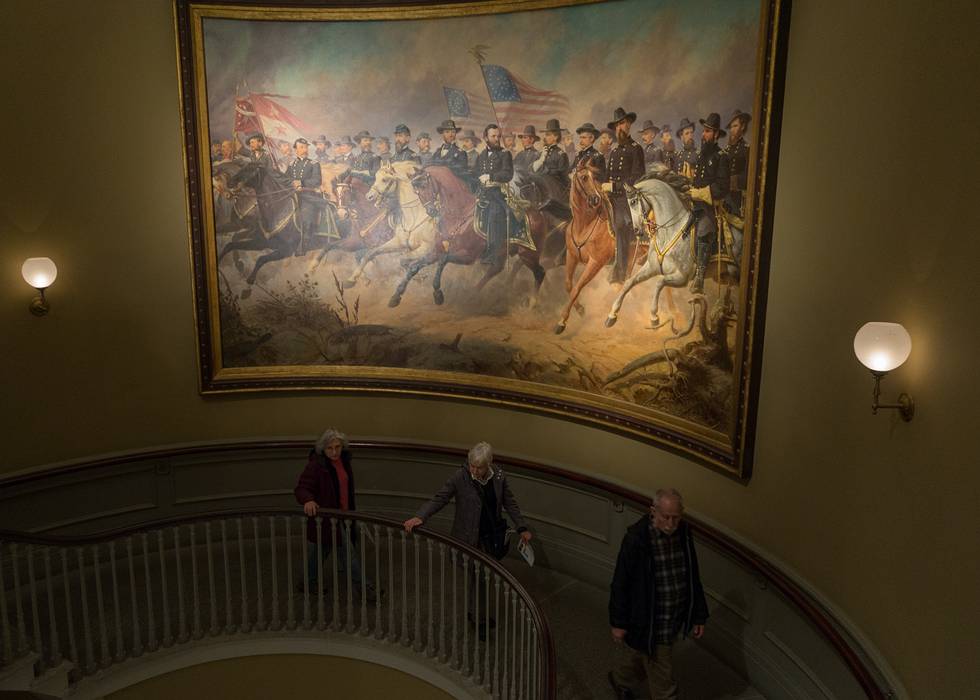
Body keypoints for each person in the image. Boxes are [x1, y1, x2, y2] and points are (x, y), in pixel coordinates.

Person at [608, 489, 708, 700]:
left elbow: (692, 576)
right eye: (666, 517)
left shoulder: (684, 532)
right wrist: (618, 622)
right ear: (653, 511)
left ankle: (620, 679)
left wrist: (698, 614)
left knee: (640, 654)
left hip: (674, 616)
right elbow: (620, 582)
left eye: (676, 518)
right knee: (664, 679)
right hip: (651, 620)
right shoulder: (637, 539)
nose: (671, 523)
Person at [403, 440, 531, 561]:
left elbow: (509, 502)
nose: (474, 471)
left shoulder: (498, 476)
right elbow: (440, 498)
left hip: (491, 535)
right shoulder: (461, 477)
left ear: (488, 464)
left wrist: (521, 527)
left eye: (479, 467)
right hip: (469, 536)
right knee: (473, 571)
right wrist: (421, 516)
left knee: (488, 569)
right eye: (472, 466)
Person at [294, 428, 379, 602]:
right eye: (330, 448)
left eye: (337, 447)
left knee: (320, 552)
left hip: (343, 516)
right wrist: (308, 500)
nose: (334, 452)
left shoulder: (344, 461)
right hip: (327, 519)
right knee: (348, 553)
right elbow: (301, 488)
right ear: (322, 450)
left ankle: (307, 582)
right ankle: (365, 589)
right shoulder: (316, 465)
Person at [601, 107, 645, 284]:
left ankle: (619, 273)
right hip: (611, 197)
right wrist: (602, 190)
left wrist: (614, 186)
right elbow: (606, 177)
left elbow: (636, 179)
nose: (620, 128)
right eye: (617, 125)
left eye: (622, 123)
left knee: (620, 224)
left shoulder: (636, 149)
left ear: (629, 125)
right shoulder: (614, 152)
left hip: (627, 199)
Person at [688, 113, 730, 293]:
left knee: (704, 230)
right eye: (703, 131)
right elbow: (696, 179)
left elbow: (722, 187)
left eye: (707, 132)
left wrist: (701, 193)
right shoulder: (701, 155)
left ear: (716, 135)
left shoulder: (721, 157)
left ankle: (699, 277)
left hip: (710, 207)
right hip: (694, 204)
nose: (703, 135)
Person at [472, 124, 514, 265]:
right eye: (493, 136)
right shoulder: (481, 155)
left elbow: (508, 174)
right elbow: (476, 173)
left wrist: (490, 176)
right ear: (485, 138)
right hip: (482, 194)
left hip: (498, 194)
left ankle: (493, 253)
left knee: (494, 213)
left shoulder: (505, 154)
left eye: (498, 136)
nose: (496, 139)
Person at [284, 137, 325, 255]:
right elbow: (286, 178)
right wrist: (291, 182)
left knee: (306, 216)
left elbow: (317, 180)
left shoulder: (314, 163)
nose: (305, 149)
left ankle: (305, 243)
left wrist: (302, 183)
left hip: (308, 195)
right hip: (293, 194)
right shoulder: (292, 164)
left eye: (306, 147)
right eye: (301, 147)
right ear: (296, 149)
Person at [531, 118, 571, 217]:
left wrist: (546, 171)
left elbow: (563, 175)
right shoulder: (542, 152)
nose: (545, 137)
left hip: (556, 190)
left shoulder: (561, 154)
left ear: (556, 136)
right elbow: (532, 168)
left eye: (548, 135)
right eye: (546, 134)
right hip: (541, 187)